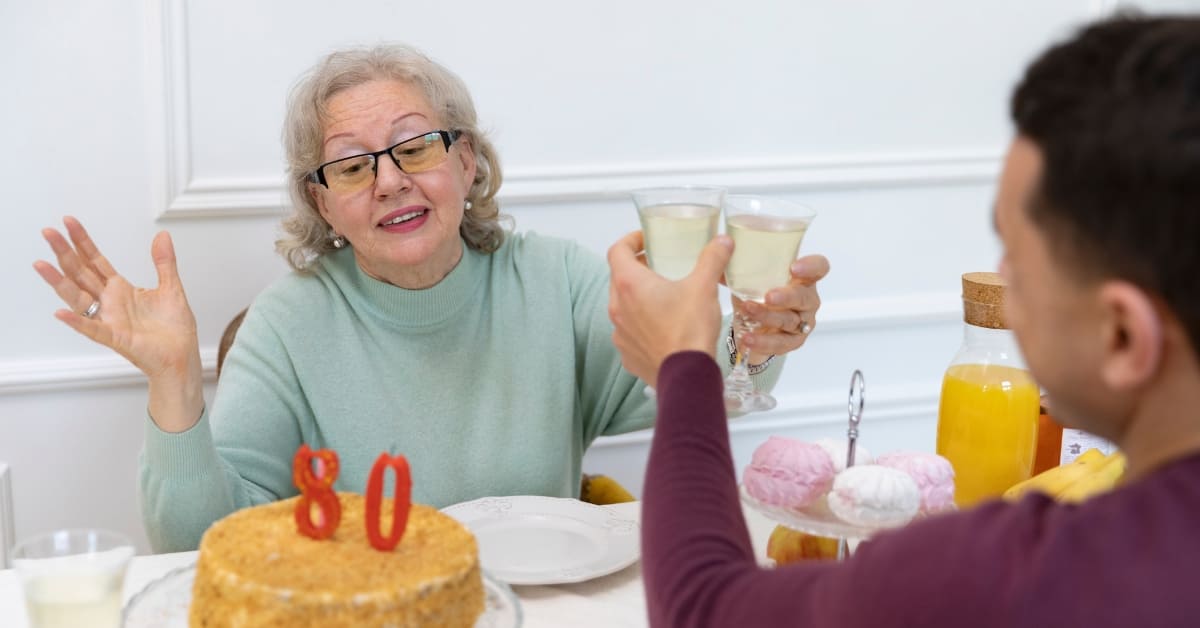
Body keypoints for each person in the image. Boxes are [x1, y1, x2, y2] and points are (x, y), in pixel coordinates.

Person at [32, 44, 828, 552]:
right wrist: (172, 380)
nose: (388, 181)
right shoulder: (288, 325)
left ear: (469, 163)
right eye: (349, 165)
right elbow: (198, 540)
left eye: (414, 146)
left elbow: (685, 387)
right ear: (321, 204)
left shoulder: (556, 280)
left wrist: (754, 342)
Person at [608, 14, 1200, 627]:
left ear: (1123, 336)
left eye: (1017, 258)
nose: (1001, 278)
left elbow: (704, 607)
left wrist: (685, 366)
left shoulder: (1017, 572)